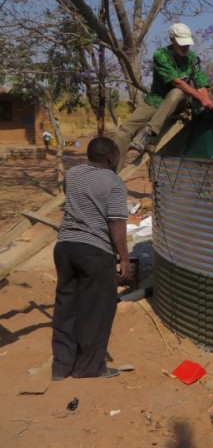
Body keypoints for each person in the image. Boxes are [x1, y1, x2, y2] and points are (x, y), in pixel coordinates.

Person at [51, 137, 134, 380]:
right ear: (110, 157)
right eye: (118, 155)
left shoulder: (73, 173)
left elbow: (73, 200)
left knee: (66, 307)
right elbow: (116, 223)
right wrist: (125, 259)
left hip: (65, 247)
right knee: (96, 310)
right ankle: (89, 367)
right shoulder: (114, 183)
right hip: (94, 251)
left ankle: (61, 367)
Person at [113, 22, 213, 172]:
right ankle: (111, 174)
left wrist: (205, 99)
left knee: (177, 93)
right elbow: (177, 82)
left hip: (181, 101)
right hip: (157, 99)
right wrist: (202, 98)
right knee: (123, 132)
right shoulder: (161, 55)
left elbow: (201, 83)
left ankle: (148, 132)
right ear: (172, 39)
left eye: (187, 44)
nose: (185, 47)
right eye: (181, 44)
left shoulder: (193, 58)